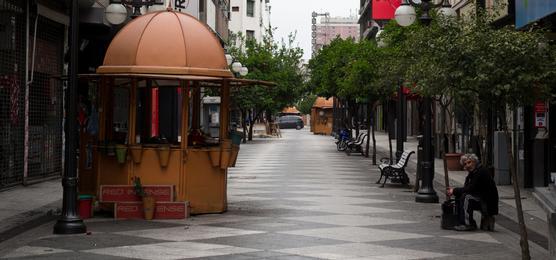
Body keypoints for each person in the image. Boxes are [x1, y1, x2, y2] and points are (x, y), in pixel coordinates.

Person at [446, 153, 499, 231]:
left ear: (475, 161)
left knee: (466, 197)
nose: (467, 165)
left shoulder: (481, 172)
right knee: (460, 195)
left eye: (469, 162)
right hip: (480, 197)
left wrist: (454, 190)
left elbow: (470, 189)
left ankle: (468, 224)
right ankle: (462, 221)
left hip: (487, 203)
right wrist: (455, 191)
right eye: (465, 164)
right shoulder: (472, 174)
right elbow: (466, 188)